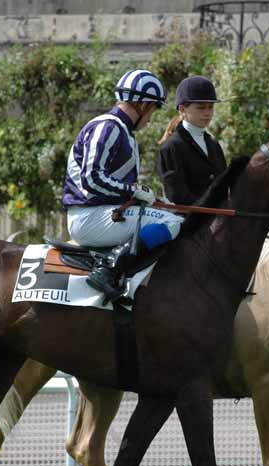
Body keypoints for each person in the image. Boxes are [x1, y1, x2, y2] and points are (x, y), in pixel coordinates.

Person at [62, 69, 184, 302]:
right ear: (143, 105)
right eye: (154, 109)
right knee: (171, 223)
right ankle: (110, 270)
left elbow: (115, 185)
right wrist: (134, 191)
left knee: (170, 214)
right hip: (89, 218)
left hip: (104, 213)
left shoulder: (123, 132)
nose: (151, 117)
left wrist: (153, 200)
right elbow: (92, 179)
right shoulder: (108, 127)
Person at [158, 75, 226, 206]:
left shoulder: (213, 144)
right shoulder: (171, 147)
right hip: (189, 220)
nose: (208, 113)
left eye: (210, 107)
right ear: (183, 109)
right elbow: (176, 195)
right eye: (201, 108)